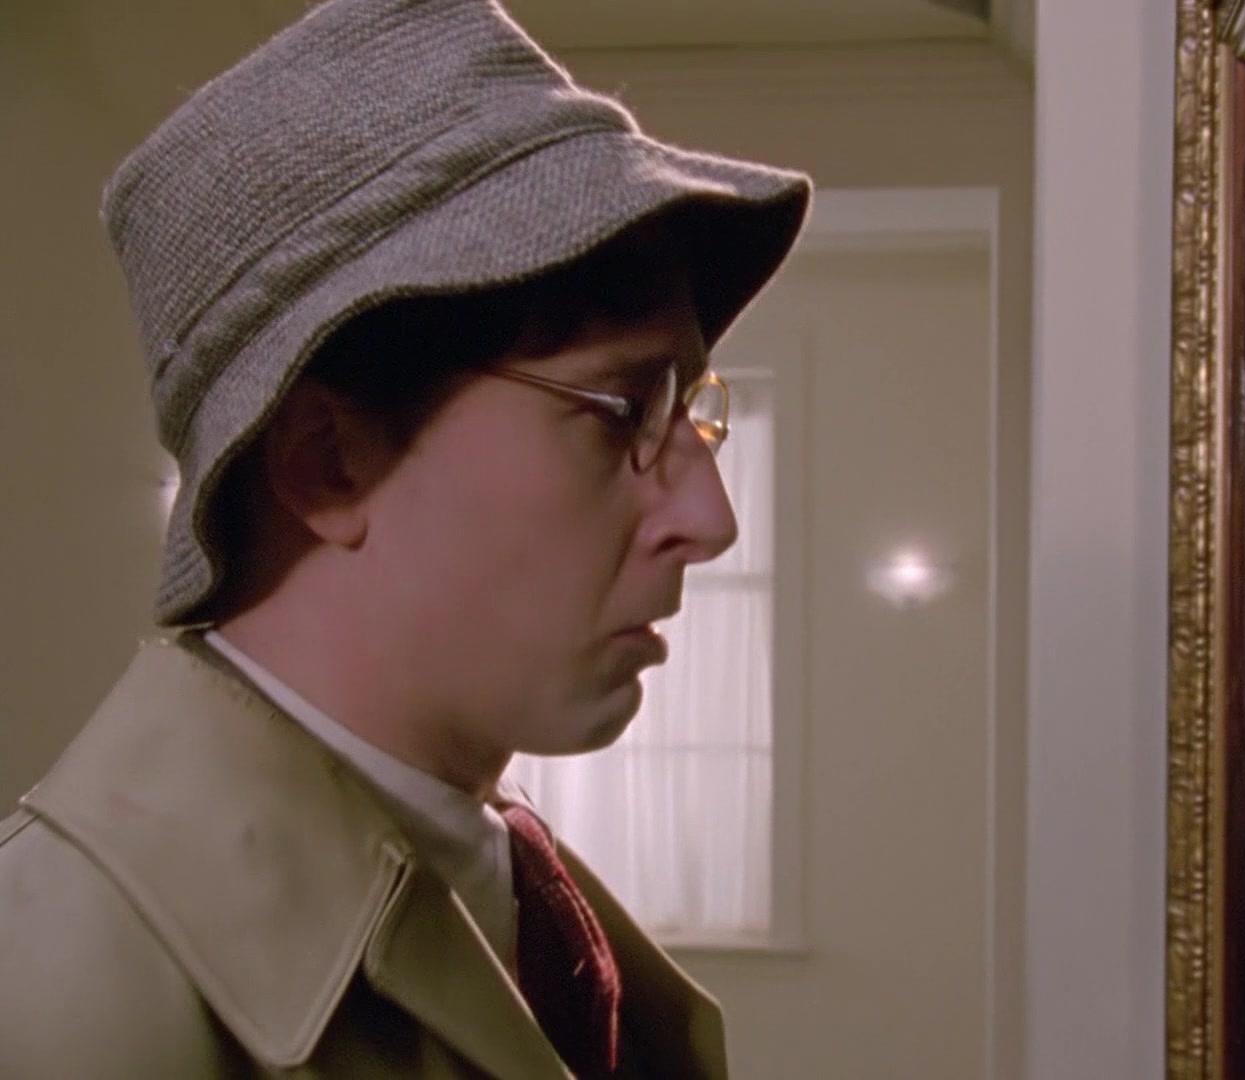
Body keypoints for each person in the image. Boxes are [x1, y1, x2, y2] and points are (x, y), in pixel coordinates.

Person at [0, 0, 810, 1076]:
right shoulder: (49, 1001)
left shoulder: (531, 903)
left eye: (692, 411)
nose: (711, 519)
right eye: (624, 411)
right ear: (328, 463)